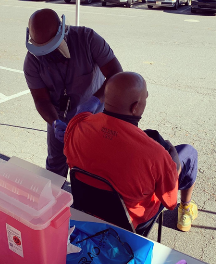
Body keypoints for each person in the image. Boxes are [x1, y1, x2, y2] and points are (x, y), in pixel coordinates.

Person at [64, 72, 198, 232]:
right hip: (130, 224)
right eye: (145, 97)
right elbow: (169, 201)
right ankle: (186, 208)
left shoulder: (78, 125)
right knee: (189, 153)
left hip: (86, 209)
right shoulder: (156, 154)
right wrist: (174, 160)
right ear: (135, 107)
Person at [23, 8, 123, 177]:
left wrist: (95, 100)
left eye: (52, 47)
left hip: (94, 119)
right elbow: (41, 100)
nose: (47, 55)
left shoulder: (89, 39)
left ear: (63, 31)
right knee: (55, 169)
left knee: (92, 169)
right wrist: (54, 122)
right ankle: (55, 201)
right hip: (59, 122)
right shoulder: (32, 61)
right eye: (42, 49)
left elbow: (116, 74)